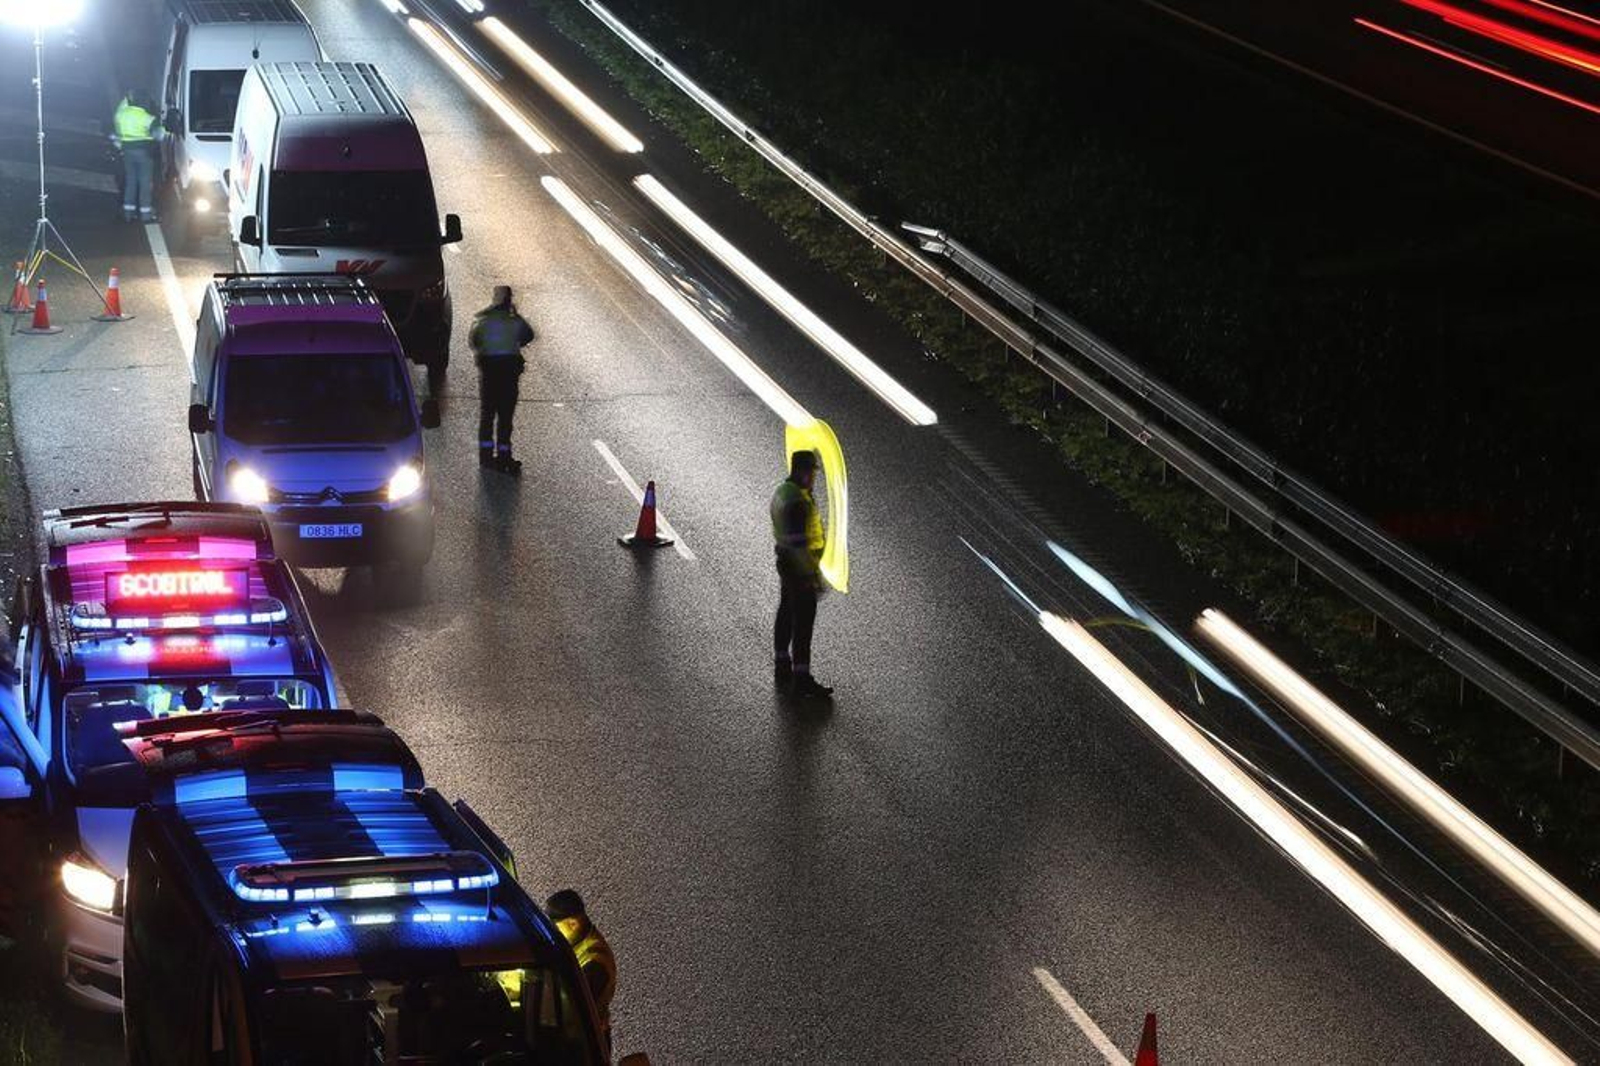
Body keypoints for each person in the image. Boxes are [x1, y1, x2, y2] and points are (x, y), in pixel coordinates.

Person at [771, 449, 832, 697]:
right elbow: (799, 544)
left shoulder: (784, 492)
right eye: (811, 471)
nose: (813, 477)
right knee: (803, 624)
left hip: (785, 561)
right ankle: (802, 679)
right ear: (800, 471)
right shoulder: (797, 501)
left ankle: (782, 662)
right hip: (799, 567)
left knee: (786, 611)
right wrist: (811, 576)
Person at [468, 284, 535, 475]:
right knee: (505, 419)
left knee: (487, 416)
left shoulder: (484, 319)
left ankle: (486, 458)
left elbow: (474, 341)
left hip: (489, 375)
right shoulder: (514, 321)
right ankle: (504, 457)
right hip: (509, 376)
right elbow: (529, 335)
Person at [545, 889, 616, 1050]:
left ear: (572, 924)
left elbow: (571, 1008)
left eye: (556, 928)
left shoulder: (594, 962)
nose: (553, 934)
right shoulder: (578, 944)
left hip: (587, 1043)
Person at [111, 91, 161, 223]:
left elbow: (116, 131)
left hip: (127, 151)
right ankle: (146, 214)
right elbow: (159, 135)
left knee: (131, 181)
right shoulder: (147, 118)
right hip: (144, 152)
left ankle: (128, 213)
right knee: (145, 183)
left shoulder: (121, 115)